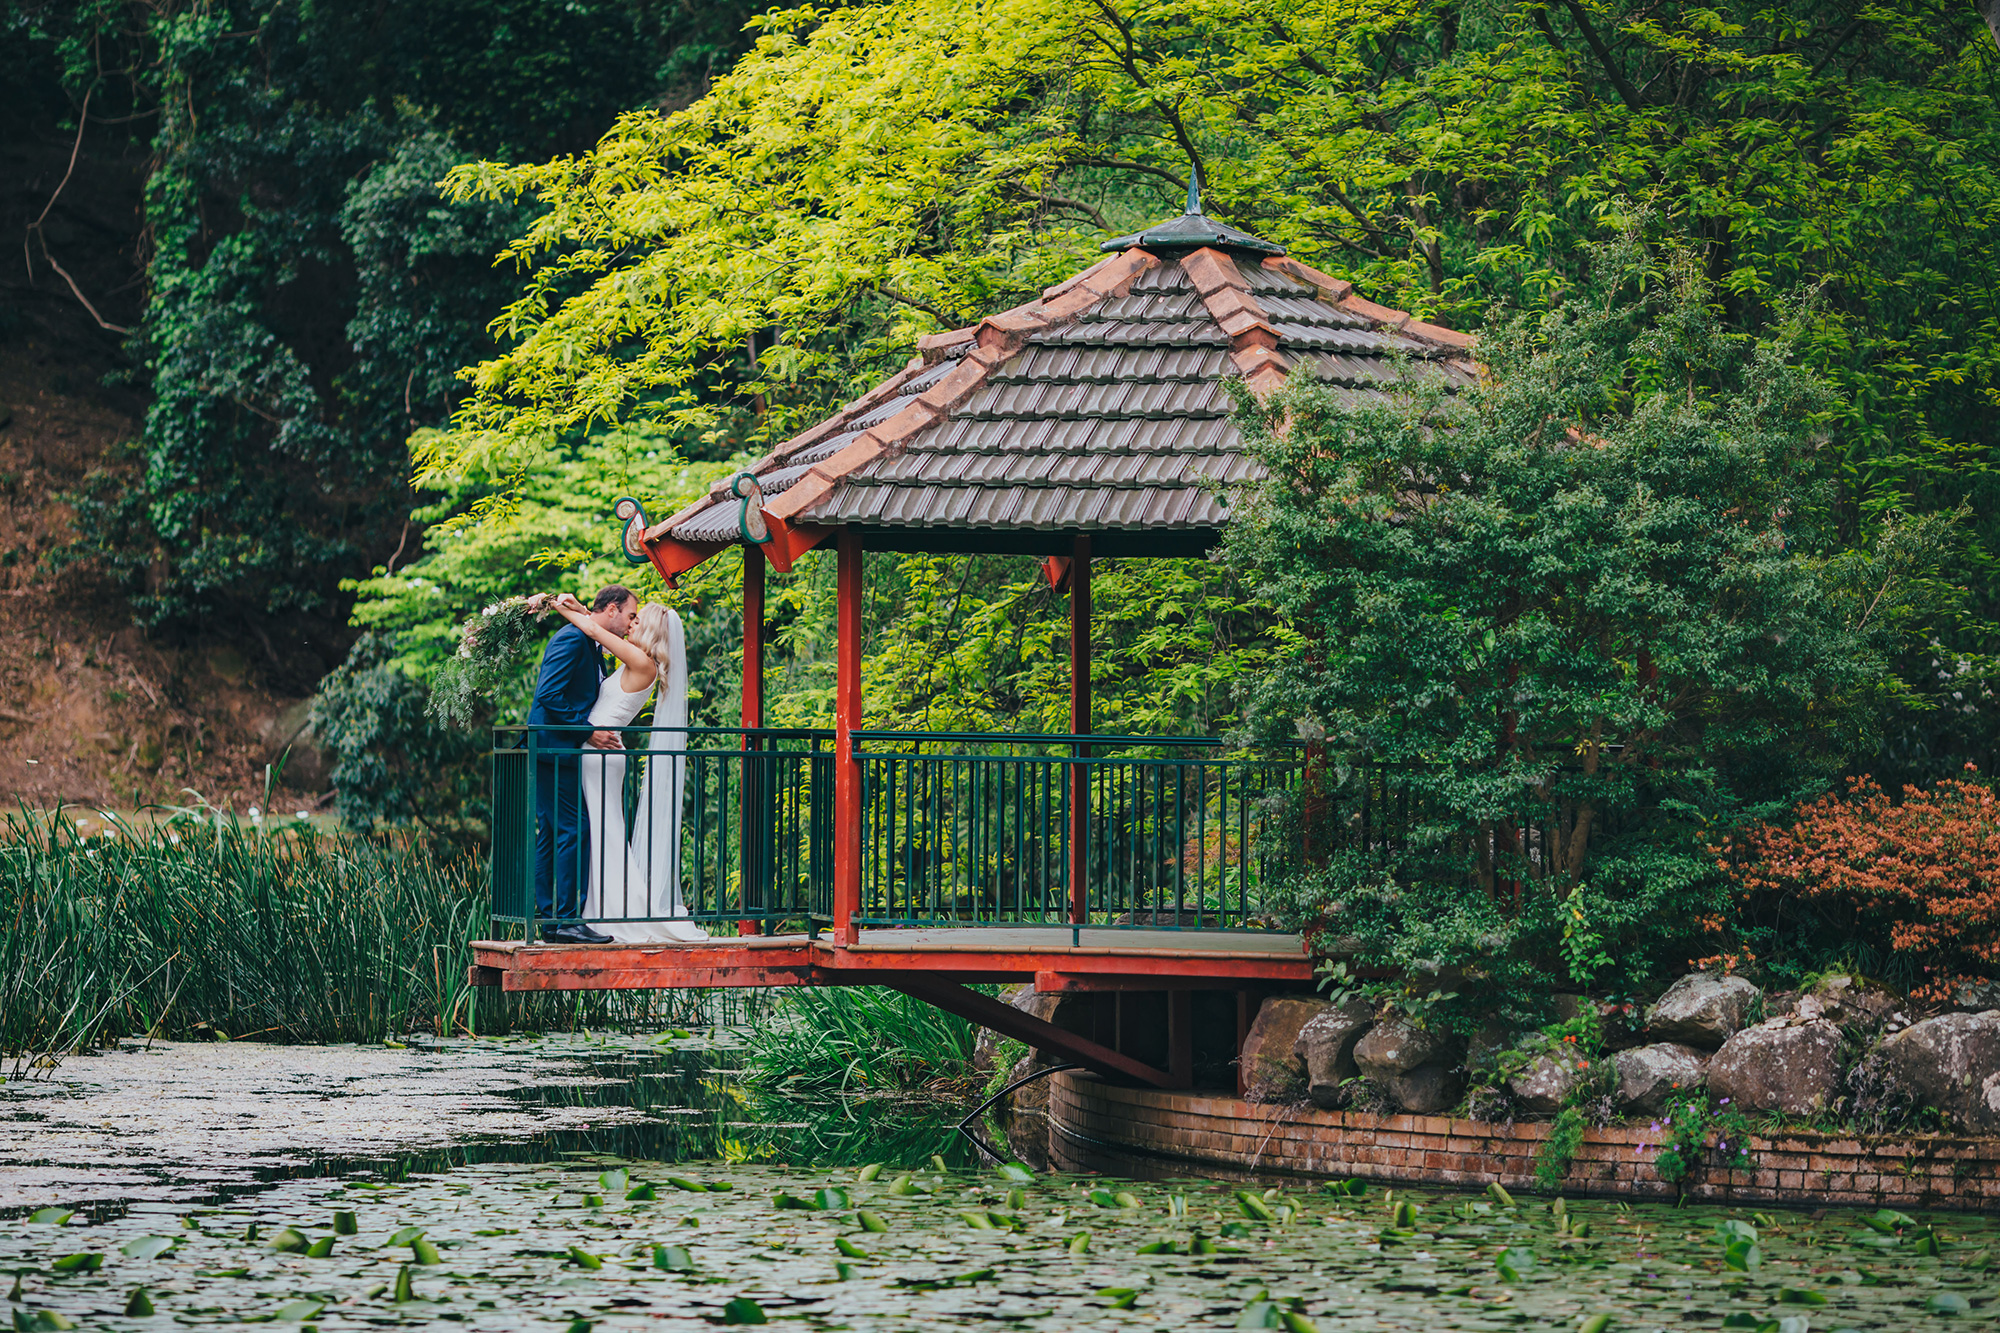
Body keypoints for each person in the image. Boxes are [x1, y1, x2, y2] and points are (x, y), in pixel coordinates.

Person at [545, 593, 707, 943]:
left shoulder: (640, 661)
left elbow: (593, 627)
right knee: (602, 832)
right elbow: (597, 624)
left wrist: (554, 604)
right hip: (597, 752)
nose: (631, 624)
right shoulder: (636, 660)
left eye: (637, 620)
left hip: (599, 754)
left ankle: (610, 913)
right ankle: (598, 912)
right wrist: (580, 609)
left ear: (648, 630)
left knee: (602, 832)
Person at [526, 585, 634, 945]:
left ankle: (552, 919)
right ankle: (565, 920)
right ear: (613, 609)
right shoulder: (573, 639)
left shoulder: (588, 638)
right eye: (630, 616)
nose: (631, 623)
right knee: (573, 831)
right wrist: (587, 732)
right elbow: (548, 695)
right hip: (556, 748)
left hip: (556, 748)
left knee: (555, 833)